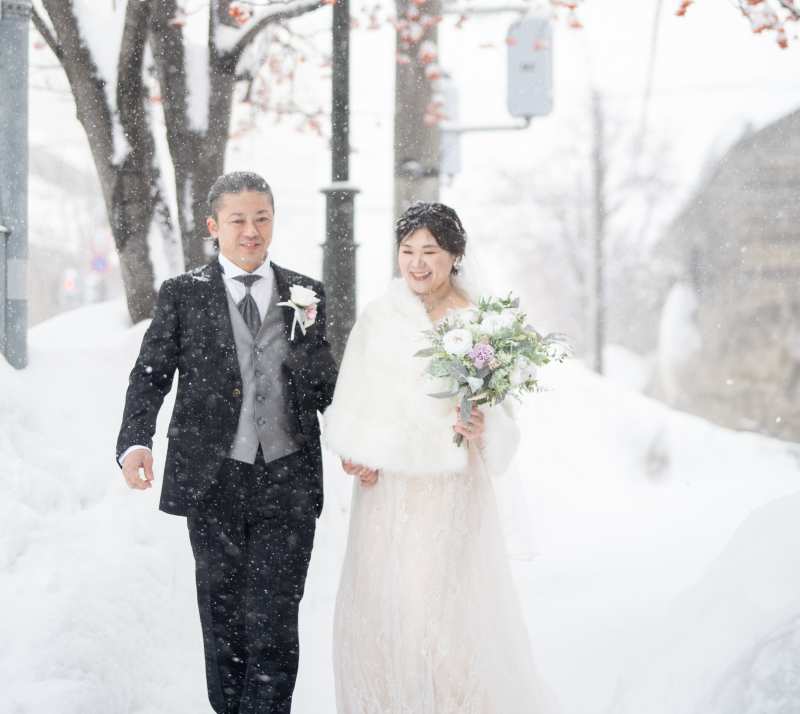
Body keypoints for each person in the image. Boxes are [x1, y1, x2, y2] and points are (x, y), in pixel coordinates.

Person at [323, 201, 559, 714]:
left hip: (450, 491)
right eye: (407, 251)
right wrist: (356, 453)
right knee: (378, 614)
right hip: (385, 492)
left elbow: (503, 418)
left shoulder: (482, 321)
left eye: (430, 251)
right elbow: (355, 398)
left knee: (436, 619)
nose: (417, 262)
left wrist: (482, 424)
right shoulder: (380, 316)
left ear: (454, 254)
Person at [116, 171, 337, 714]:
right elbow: (151, 373)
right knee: (223, 617)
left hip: (287, 479)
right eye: (238, 219)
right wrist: (134, 440)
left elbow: (326, 385)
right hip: (214, 477)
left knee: (276, 618)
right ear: (214, 226)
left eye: (262, 217)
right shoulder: (182, 294)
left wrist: (306, 353)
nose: (251, 230)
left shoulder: (305, 294)